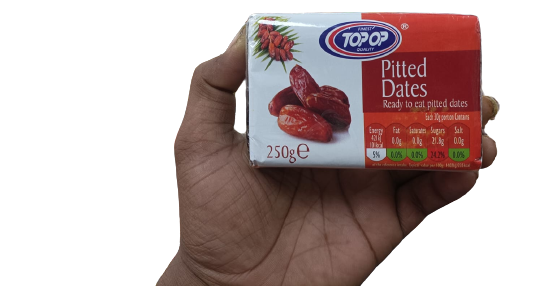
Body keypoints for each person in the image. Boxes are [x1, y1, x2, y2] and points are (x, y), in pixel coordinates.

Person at [158, 23, 499, 286]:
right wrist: (206, 276)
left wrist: (206, 279)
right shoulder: (294, 103)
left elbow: (330, 108)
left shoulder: (316, 102)